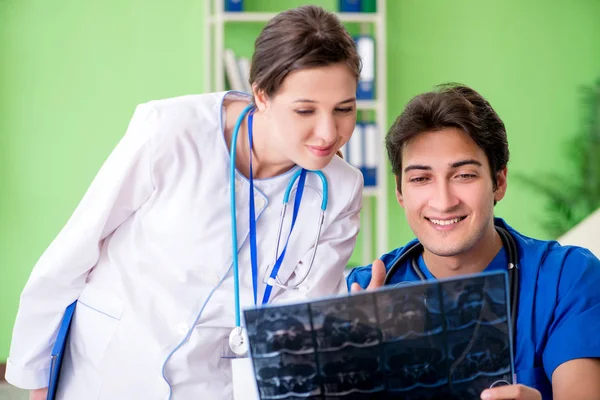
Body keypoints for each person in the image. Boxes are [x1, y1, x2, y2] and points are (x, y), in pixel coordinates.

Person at [6, 5, 364, 400]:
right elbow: (75, 251)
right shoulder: (171, 130)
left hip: (210, 384)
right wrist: (38, 382)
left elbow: (296, 325)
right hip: (105, 368)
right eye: (305, 110)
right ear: (261, 95)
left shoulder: (340, 191)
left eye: (344, 110)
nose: (329, 132)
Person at [347, 84, 600, 400]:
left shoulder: (566, 278)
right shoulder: (360, 294)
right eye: (420, 179)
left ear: (499, 182)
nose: (443, 201)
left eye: (464, 175)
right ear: (400, 193)